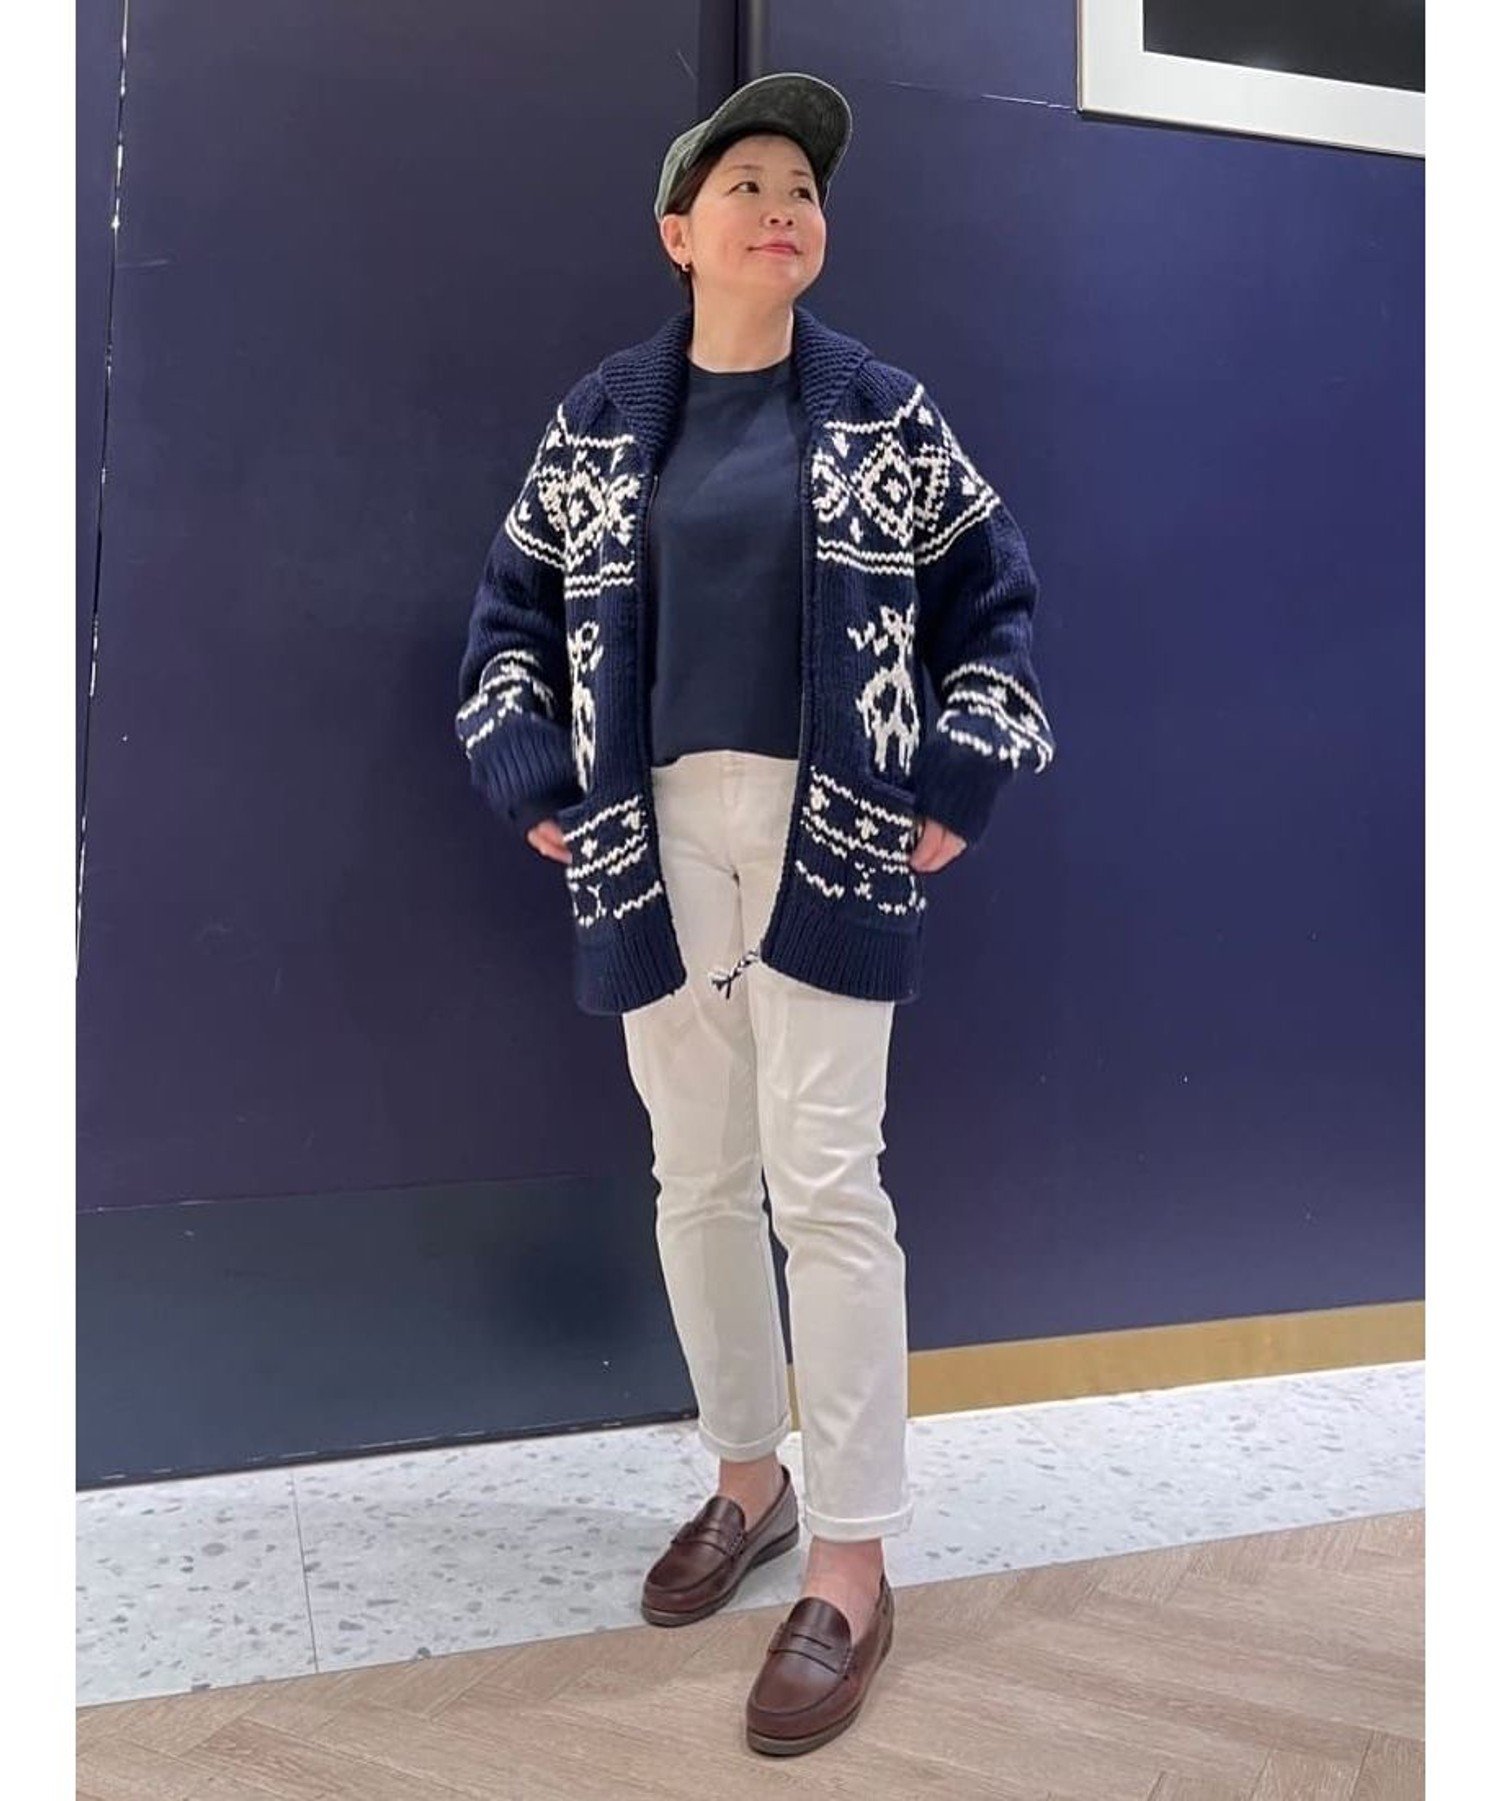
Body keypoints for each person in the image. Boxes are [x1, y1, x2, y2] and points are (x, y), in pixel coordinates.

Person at [454, 72, 1055, 1756]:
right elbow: (503, 621)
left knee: (829, 1180)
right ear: (679, 233)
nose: (783, 206)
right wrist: (530, 772)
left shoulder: (881, 411)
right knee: (699, 1173)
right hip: (651, 833)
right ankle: (747, 1480)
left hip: (831, 822)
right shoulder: (599, 421)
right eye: (748, 186)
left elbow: (998, 601)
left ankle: (852, 1560)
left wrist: (962, 767)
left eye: (802, 188)